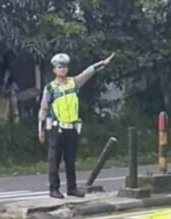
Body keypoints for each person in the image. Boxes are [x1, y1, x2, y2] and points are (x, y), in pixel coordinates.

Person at [38, 52, 115, 200]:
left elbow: (87, 73)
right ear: (54, 69)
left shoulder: (74, 82)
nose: (63, 69)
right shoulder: (50, 88)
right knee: (54, 161)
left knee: (70, 160)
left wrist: (102, 63)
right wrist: (41, 129)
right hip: (56, 129)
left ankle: (72, 188)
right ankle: (54, 189)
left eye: (65, 67)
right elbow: (43, 109)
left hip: (71, 128)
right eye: (60, 67)